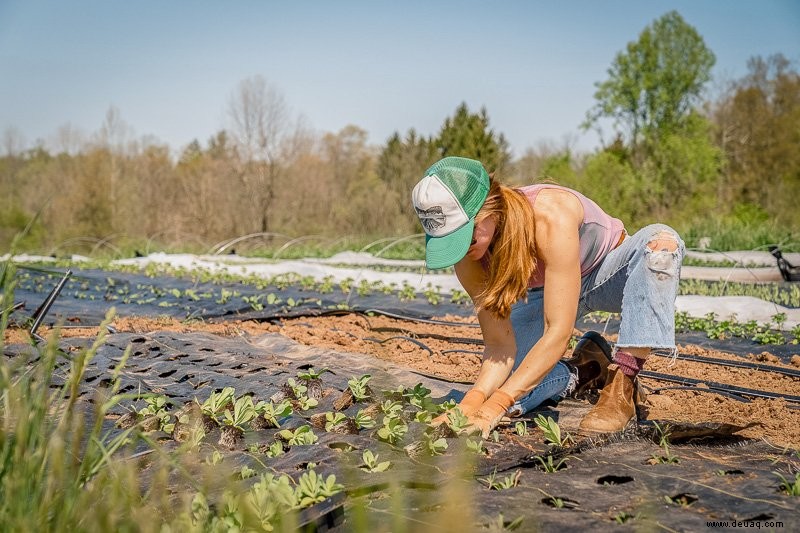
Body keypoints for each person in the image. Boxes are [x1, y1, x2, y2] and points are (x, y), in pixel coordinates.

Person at [412, 156, 685, 436]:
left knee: (661, 246)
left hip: (608, 274)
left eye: (466, 237)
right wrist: (473, 402)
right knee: (512, 382)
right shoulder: (469, 257)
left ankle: (622, 385)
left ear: (489, 209)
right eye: (450, 242)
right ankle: (585, 369)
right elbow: (499, 346)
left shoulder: (548, 214)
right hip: (549, 292)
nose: (463, 249)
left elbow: (558, 332)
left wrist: (496, 406)